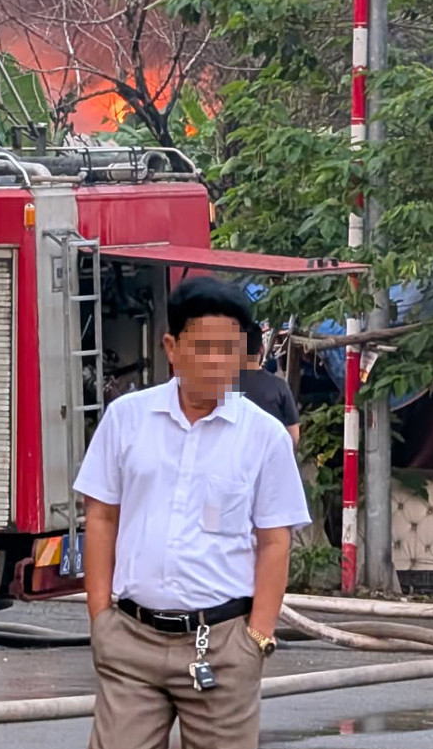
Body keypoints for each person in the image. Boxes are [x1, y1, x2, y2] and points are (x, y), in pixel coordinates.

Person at [74, 277, 310, 749]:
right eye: (202, 348)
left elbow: (274, 540)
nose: (215, 362)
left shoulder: (265, 437)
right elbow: (100, 518)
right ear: (172, 347)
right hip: (131, 641)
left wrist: (257, 639)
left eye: (228, 350)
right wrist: (101, 617)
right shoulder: (127, 419)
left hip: (222, 644)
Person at [238, 341, 301, 445]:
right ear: (262, 349)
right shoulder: (279, 386)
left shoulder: (224, 388)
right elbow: (293, 435)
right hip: (271, 452)